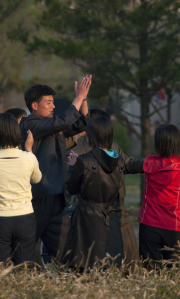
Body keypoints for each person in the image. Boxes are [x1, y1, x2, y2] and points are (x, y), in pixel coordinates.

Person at [19, 76, 91, 260]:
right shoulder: (30, 124)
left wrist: (83, 99)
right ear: (34, 106)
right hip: (38, 196)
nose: (53, 106)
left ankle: (70, 282)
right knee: (24, 251)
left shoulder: (51, 124)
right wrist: (77, 98)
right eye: (48, 102)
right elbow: (62, 121)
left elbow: (80, 124)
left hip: (56, 196)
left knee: (63, 251)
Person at [66, 109, 144, 264]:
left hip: (114, 214)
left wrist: (154, 163)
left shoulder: (107, 150)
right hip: (98, 216)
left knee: (119, 264)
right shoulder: (80, 153)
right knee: (104, 263)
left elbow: (72, 187)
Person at [63, 115, 125, 269]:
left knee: (85, 264)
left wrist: (72, 166)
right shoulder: (119, 161)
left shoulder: (84, 161)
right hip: (111, 216)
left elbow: (71, 188)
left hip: (87, 218)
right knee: (108, 265)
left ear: (90, 137)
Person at [0, 113, 41, 265]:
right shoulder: (28, 158)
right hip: (25, 217)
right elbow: (37, 179)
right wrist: (29, 149)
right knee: (24, 266)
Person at [138, 124, 180, 265]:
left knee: (150, 270)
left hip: (148, 224)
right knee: (175, 273)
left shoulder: (149, 163)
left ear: (158, 144)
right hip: (174, 227)